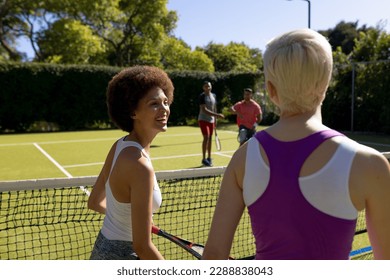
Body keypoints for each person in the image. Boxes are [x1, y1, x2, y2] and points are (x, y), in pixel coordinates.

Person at [202, 29, 390, 260]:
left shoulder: (242, 159)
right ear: (326, 82)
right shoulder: (370, 164)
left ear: (270, 90)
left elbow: (213, 256)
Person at [88, 65, 174, 260]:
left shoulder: (120, 146)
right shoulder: (140, 165)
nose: (164, 109)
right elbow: (142, 247)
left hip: (102, 250)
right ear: (132, 112)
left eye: (165, 102)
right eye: (154, 104)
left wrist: (132, 222)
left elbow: (94, 202)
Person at [198, 81, 224, 167]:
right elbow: (204, 110)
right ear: (203, 88)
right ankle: (204, 158)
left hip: (211, 120)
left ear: (211, 87)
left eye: (209, 86)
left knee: (210, 138)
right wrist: (217, 115)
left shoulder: (214, 96)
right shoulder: (202, 96)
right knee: (206, 137)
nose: (208, 88)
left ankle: (209, 158)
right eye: (206, 86)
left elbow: (214, 108)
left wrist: (215, 120)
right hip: (203, 119)